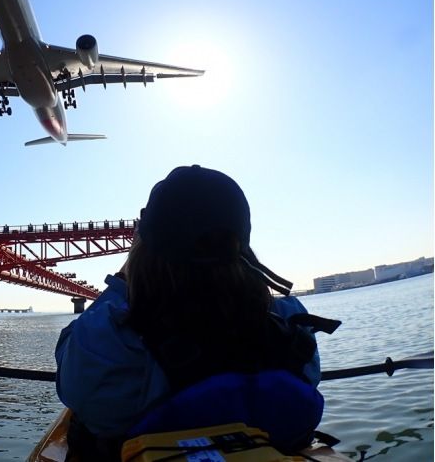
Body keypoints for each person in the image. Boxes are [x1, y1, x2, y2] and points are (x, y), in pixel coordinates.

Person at [55, 165, 339, 460]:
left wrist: (122, 283)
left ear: (145, 245)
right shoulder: (293, 327)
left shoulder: (108, 342)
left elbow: (71, 376)